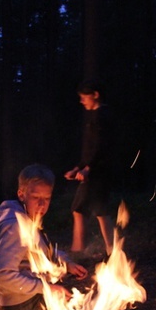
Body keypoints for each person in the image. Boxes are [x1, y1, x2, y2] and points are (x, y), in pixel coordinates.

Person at [0, 164, 88, 310]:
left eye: (46, 198)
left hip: (28, 295)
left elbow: (39, 250)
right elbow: (2, 276)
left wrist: (65, 263)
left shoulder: (25, 217)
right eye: (35, 197)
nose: (42, 205)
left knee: (79, 305)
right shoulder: (15, 227)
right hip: (20, 303)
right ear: (21, 194)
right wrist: (48, 289)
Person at [64, 79, 116, 259]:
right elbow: (90, 149)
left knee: (78, 209)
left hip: (98, 173)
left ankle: (78, 253)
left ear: (95, 95)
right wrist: (78, 167)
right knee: (101, 211)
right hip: (94, 170)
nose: (81, 101)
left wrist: (87, 169)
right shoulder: (94, 116)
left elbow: (102, 147)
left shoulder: (103, 116)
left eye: (84, 97)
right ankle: (112, 251)